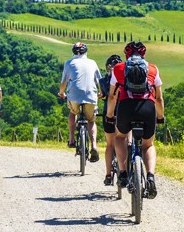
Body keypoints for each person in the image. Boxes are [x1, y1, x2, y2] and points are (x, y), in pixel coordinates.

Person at [106, 41, 165, 199]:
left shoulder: (118, 68)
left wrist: (110, 116)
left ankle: (123, 172)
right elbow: (158, 98)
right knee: (148, 145)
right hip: (147, 108)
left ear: (127, 54)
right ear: (144, 54)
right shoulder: (153, 69)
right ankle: (151, 176)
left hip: (126, 108)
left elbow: (112, 96)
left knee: (120, 137)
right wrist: (160, 116)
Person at [59, 42, 102, 162]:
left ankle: (71, 139)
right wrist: (101, 93)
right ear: (85, 52)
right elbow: (99, 81)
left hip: (74, 96)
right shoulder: (92, 63)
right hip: (91, 96)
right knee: (91, 120)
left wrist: (61, 93)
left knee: (73, 113)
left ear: (73, 52)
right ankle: (94, 145)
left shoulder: (69, 63)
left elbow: (64, 82)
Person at [99, 54, 123, 185]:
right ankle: (126, 169)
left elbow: (103, 95)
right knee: (124, 140)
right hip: (123, 113)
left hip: (108, 114)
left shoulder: (103, 81)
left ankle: (108, 175)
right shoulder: (124, 79)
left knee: (110, 145)